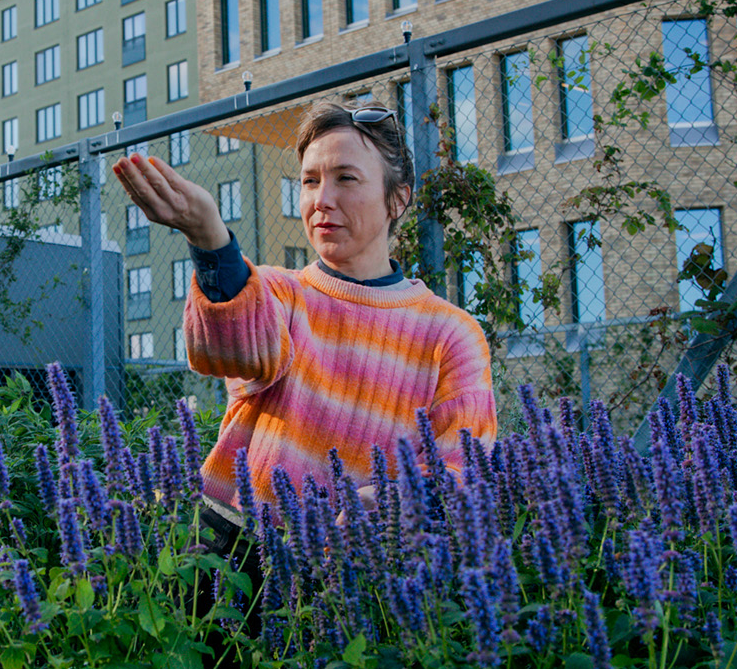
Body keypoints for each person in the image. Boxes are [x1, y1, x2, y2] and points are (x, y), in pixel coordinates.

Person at [111, 99, 497, 513]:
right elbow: (232, 348)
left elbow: (463, 471)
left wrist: (377, 506)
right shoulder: (281, 293)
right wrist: (209, 238)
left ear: (398, 199)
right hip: (237, 561)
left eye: (346, 178)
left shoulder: (452, 335)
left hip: (366, 570)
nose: (322, 199)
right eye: (309, 181)